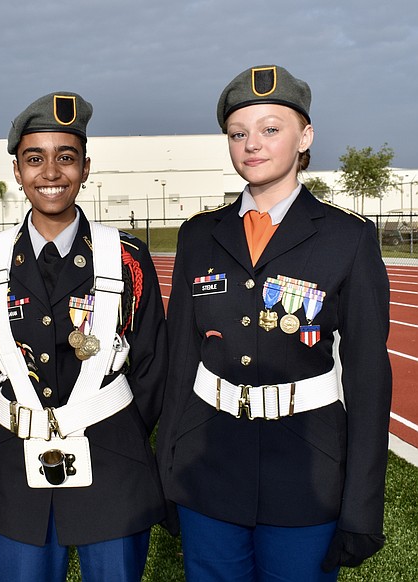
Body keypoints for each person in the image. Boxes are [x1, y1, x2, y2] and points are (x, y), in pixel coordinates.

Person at [157, 65, 391, 580]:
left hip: (305, 468)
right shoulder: (199, 235)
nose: (252, 145)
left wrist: (362, 504)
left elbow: (369, 379)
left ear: (305, 136)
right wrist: (167, 470)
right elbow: (180, 363)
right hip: (207, 466)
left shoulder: (347, 238)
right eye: (238, 133)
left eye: (270, 128)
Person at [0, 92, 168, 581]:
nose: (51, 173)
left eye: (66, 158)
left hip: (112, 464)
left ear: (85, 167)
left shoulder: (126, 258)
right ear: (17, 170)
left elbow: (152, 366)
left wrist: (109, 427)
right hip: (18, 466)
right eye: (35, 159)